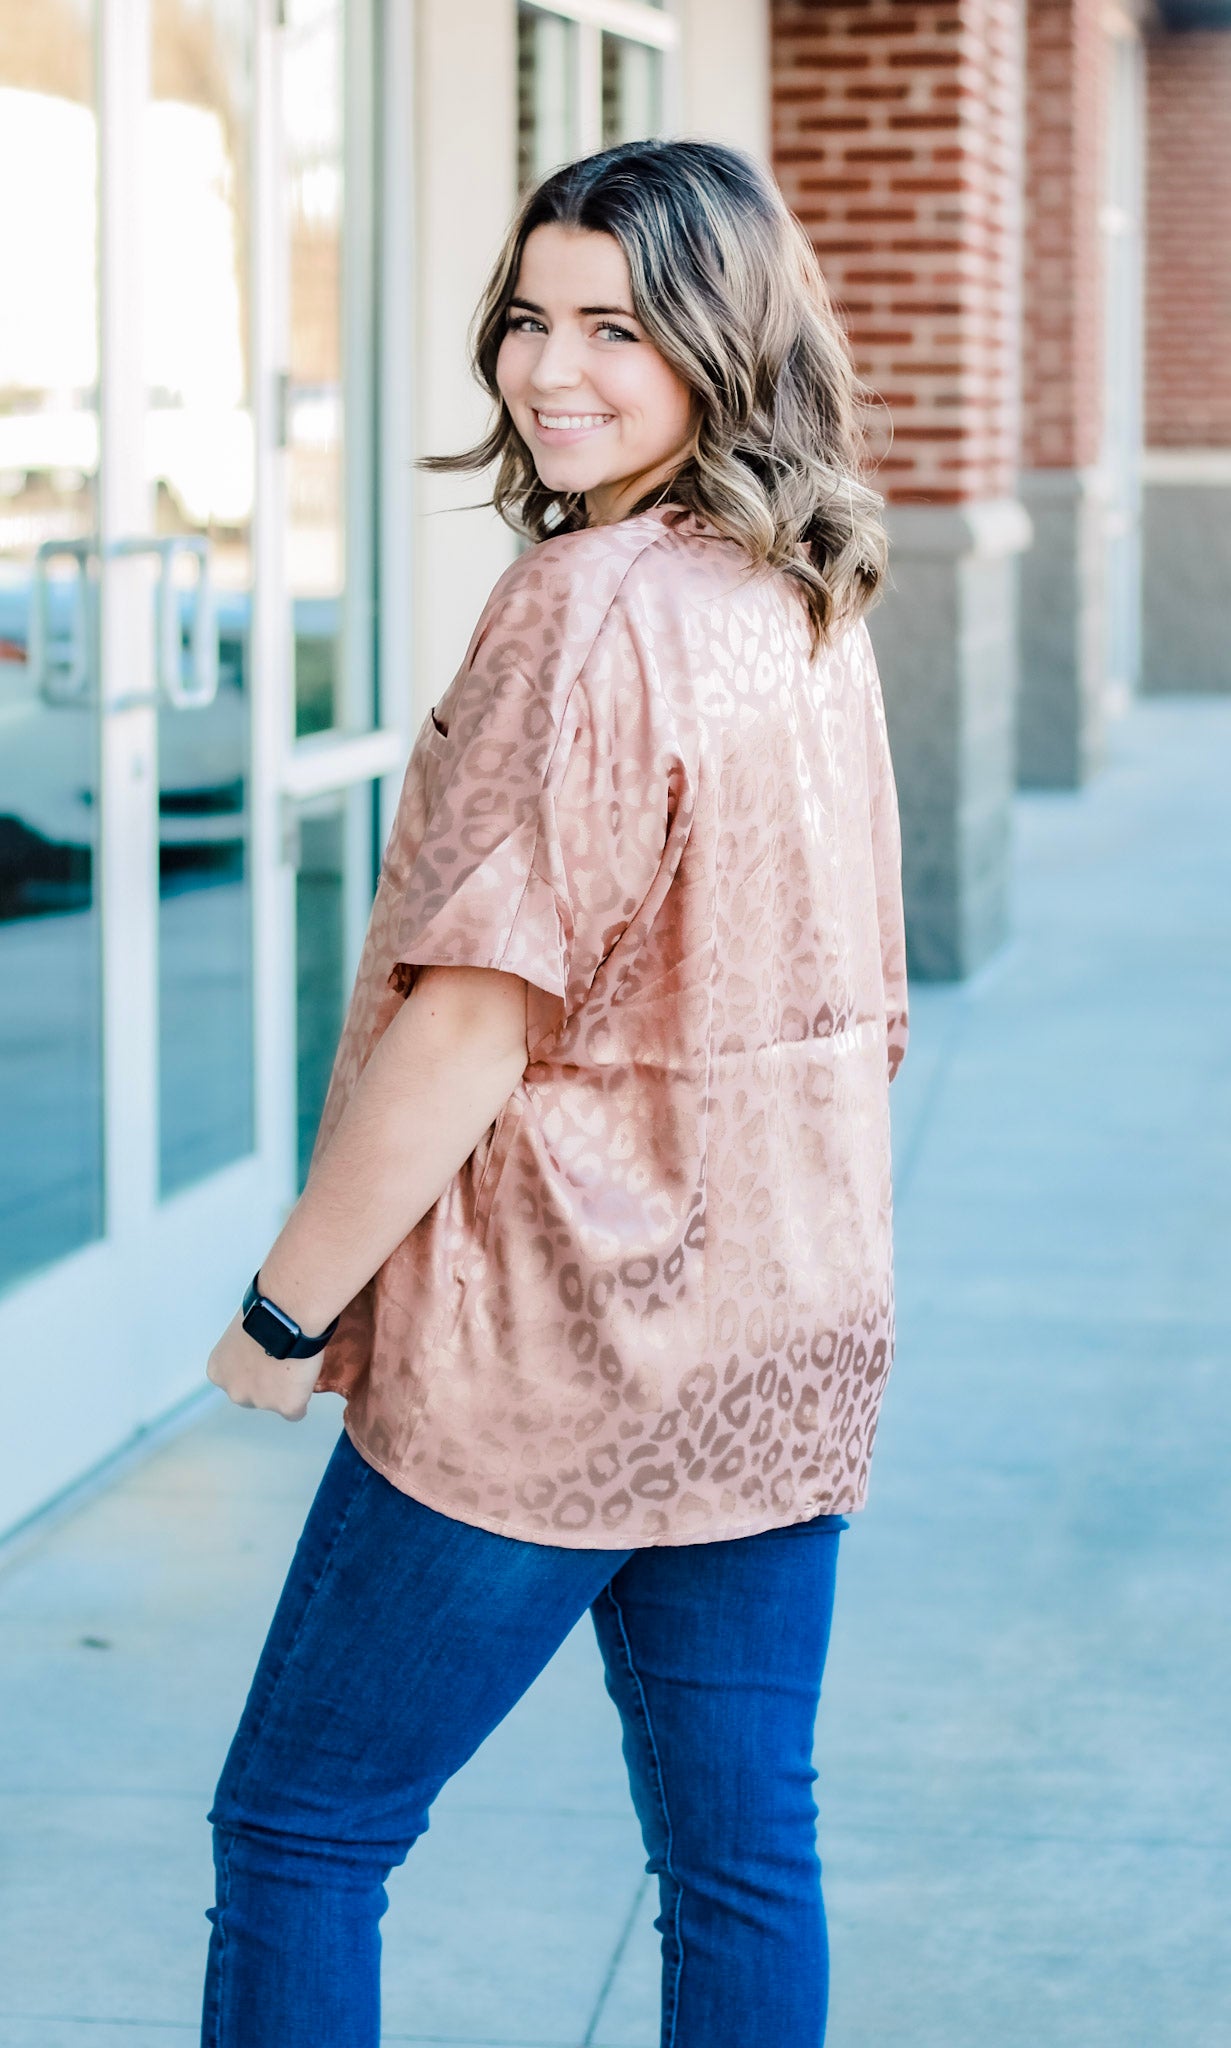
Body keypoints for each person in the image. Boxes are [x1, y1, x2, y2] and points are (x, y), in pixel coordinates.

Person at [200, 137, 908, 2048]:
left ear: (721, 343)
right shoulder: (805, 592)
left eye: (616, 326)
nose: (548, 368)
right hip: (778, 1326)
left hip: (556, 1346)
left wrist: (287, 1308)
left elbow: (470, 1021)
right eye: (529, 317)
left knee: (301, 1830)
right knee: (742, 1860)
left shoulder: (586, 603)